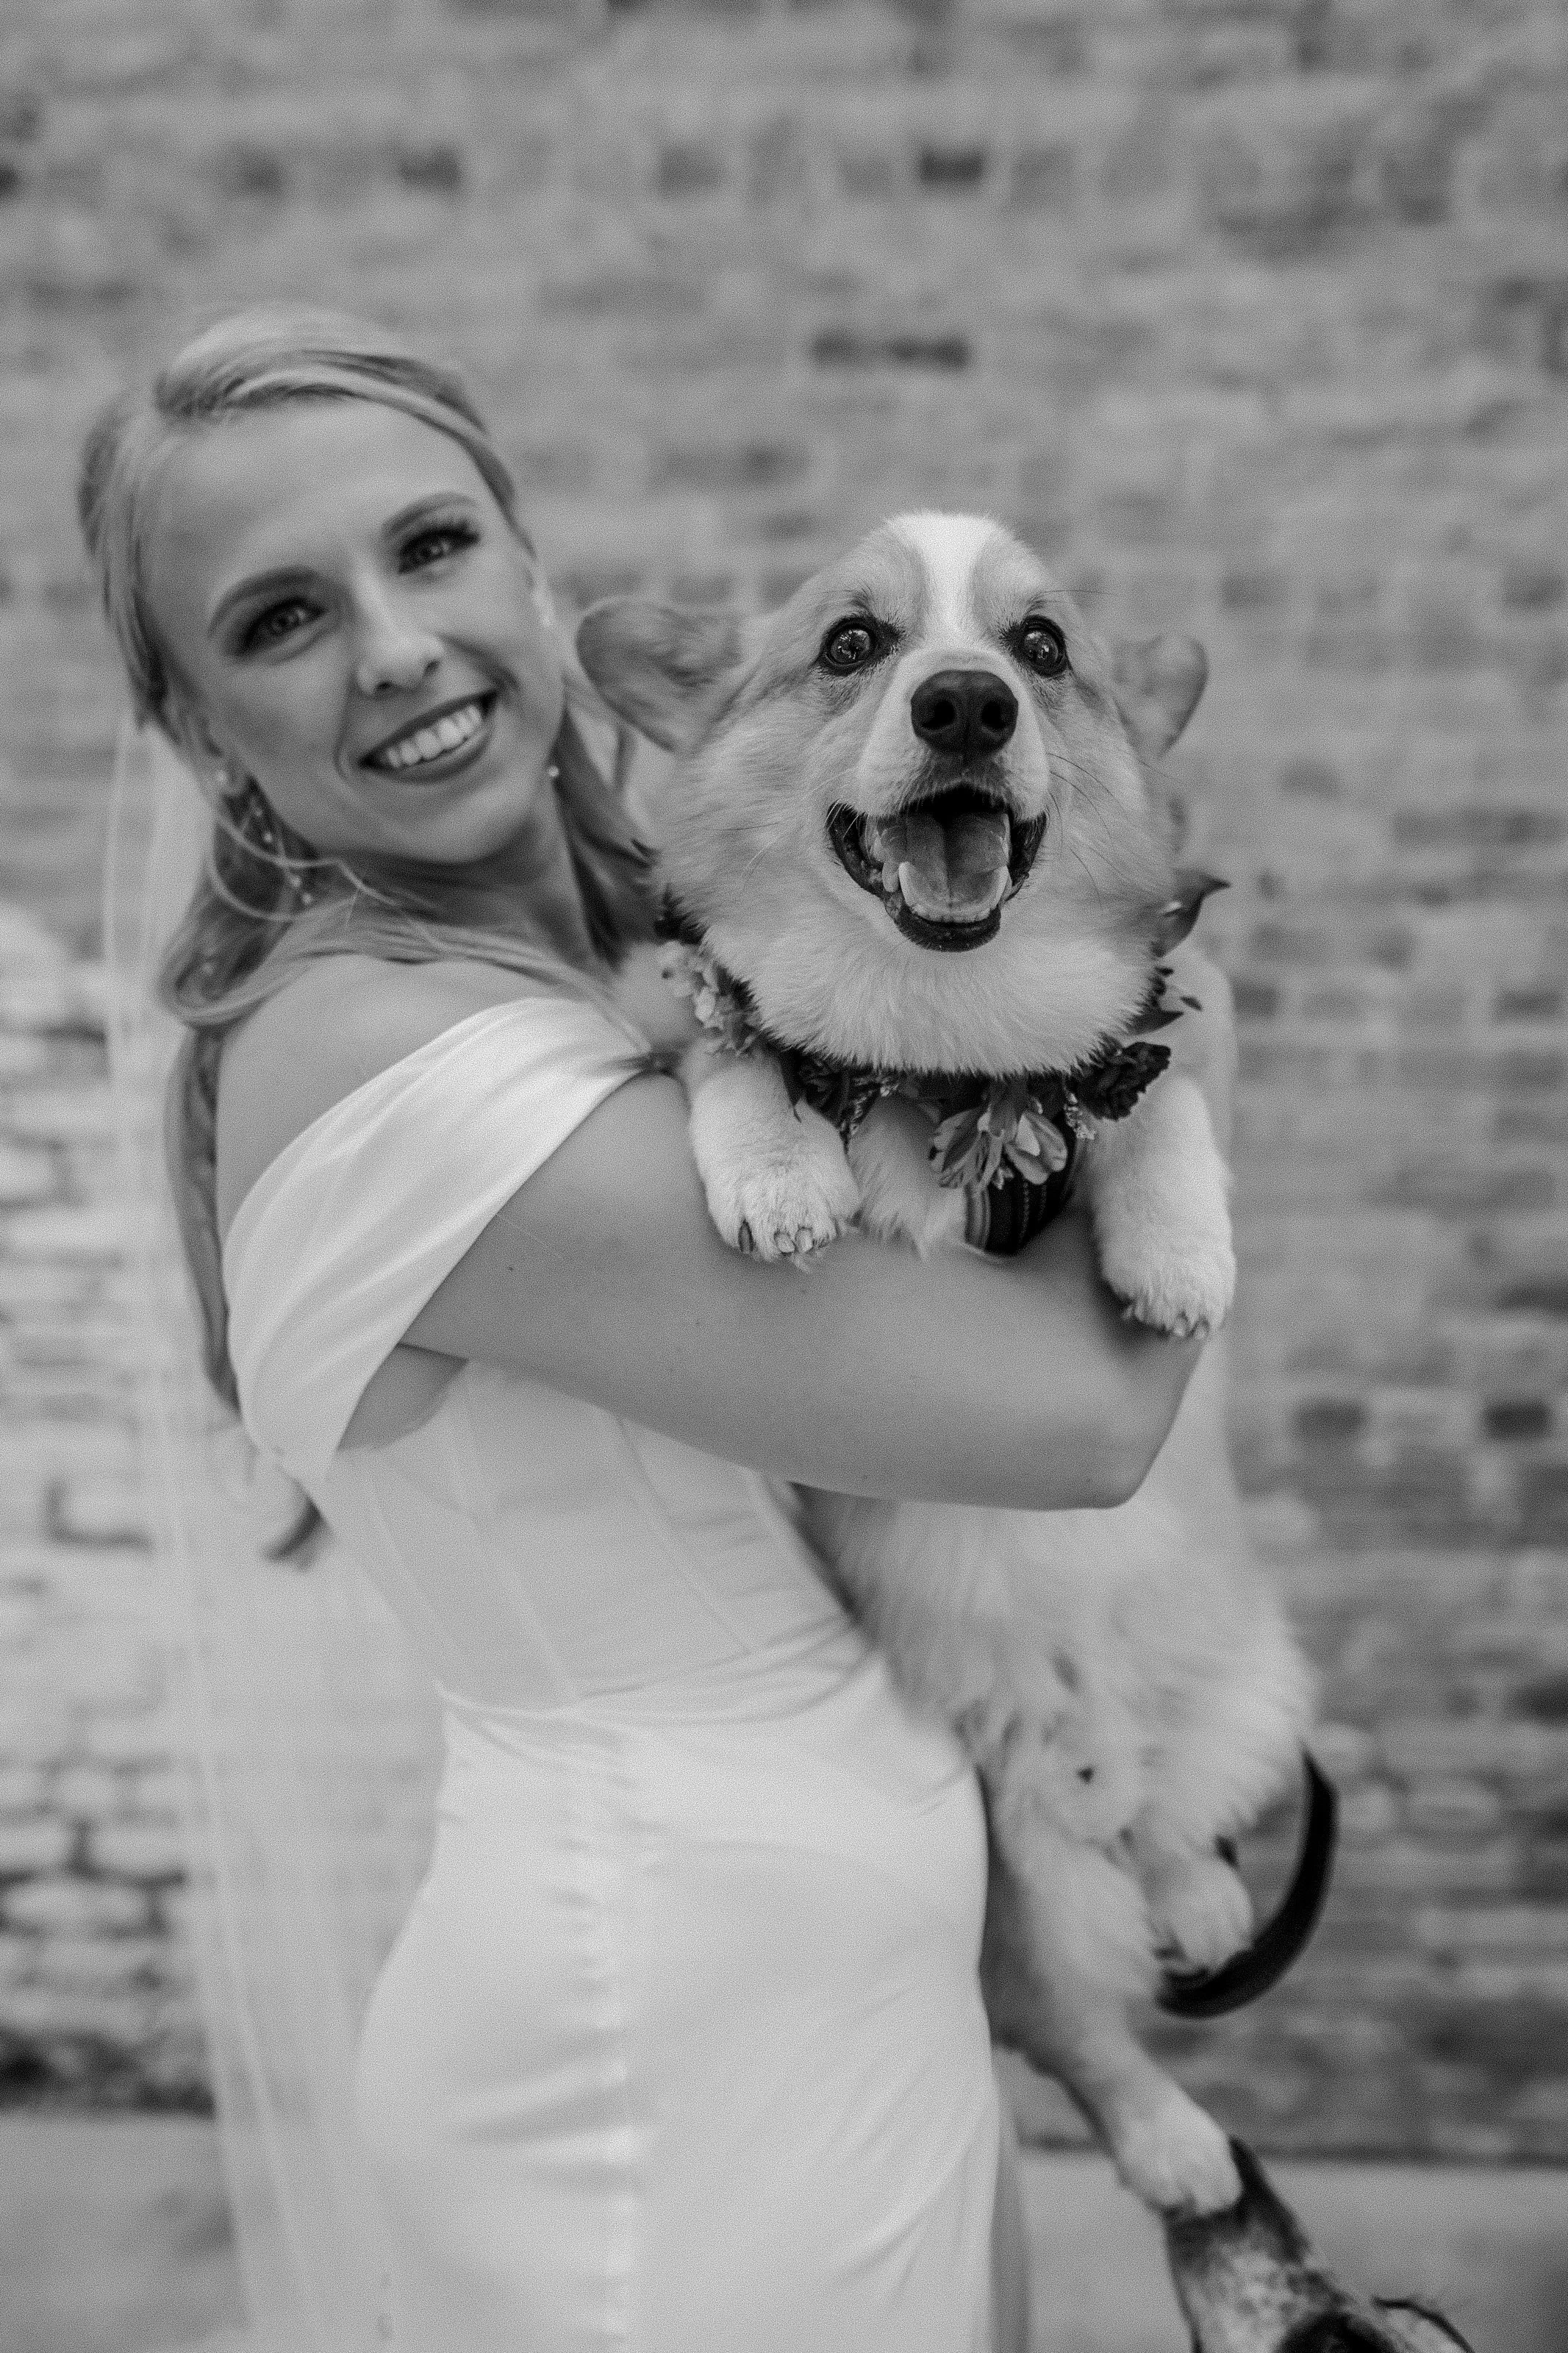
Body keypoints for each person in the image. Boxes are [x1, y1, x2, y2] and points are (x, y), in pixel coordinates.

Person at [80, 310, 1206, 2353]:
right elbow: (1069, 1413)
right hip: (654, 2077)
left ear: (535, 576)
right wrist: (1135, 1002)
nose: (398, 645)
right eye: (280, 620)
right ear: (202, 736)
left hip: (852, 2007)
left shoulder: (647, 967)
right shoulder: (376, 1061)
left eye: (430, 551)